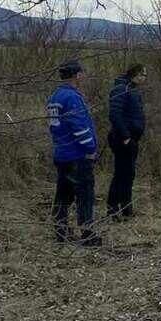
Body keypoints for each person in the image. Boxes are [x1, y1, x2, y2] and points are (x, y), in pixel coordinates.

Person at [47, 59, 100, 245]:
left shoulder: (55, 96)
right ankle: (87, 235)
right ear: (77, 75)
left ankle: (60, 233)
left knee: (63, 195)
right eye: (82, 73)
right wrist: (91, 149)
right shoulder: (71, 98)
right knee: (84, 196)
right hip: (77, 155)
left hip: (61, 154)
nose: (83, 76)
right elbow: (80, 127)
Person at [107, 63, 147, 219]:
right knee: (121, 174)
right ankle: (113, 209)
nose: (145, 78)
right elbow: (115, 115)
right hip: (122, 139)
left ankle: (126, 208)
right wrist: (126, 138)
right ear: (136, 74)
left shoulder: (133, 89)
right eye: (143, 74)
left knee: (128, 174)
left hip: (132, 139)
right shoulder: (121, 89)